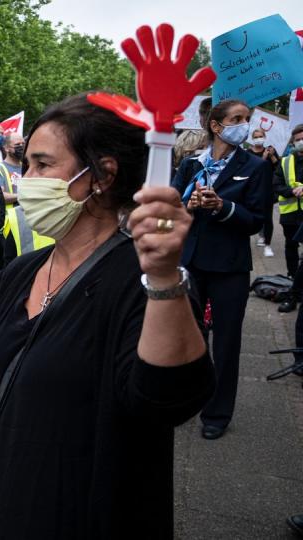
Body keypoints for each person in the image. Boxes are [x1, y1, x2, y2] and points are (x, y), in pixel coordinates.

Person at [0, 94, 215, 538]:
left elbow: (166, 399)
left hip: (87, 512)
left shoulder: (141, 281)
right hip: (10, 497)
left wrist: (164, 276)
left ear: (102, 176)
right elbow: (6, 363)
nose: (25, 180)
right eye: (26, 164)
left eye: (42, 164)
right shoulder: (25, 270)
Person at [172, 98, 268, 440]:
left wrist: (224, 206)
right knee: (189, 336)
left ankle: (217, 413)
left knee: (226, 343)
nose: (244, 123)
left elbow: (256, 221)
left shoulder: (254, 167)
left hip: (229, 268)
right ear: (216, 125)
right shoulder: (191, 163)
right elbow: (172, 207)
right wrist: (189, 203)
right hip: (192, 263)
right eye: (237, 118)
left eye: (246, 118)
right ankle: (185, 399)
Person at [277, 126, 303, 312]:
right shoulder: (285, 161)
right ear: (293, 142)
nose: (300, 142)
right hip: (290, 214)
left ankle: (297, 289)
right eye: (297, 139)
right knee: (291, 248)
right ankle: (293, 281)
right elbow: (275, 184)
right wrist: (291, 191)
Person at [247, 128, 278, 258]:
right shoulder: (248, 153)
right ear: (252, 139)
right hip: (252, 190)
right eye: (256, 136)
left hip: (267, 189)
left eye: (261, 136)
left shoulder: (270, 150)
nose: (259, 138)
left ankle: (267, 245)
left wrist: (271, 157)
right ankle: (259, 235)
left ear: (264, 137)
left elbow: (278, 168)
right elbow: (250, 170)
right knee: (252, 215)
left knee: (267, 218)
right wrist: (263, 159)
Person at [0, 131, 25, 206]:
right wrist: (23, 196)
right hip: (11, 216)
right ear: (6, 148)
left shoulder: (27, 166)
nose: (21, 147)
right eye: (17, 145)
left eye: (23, 144)